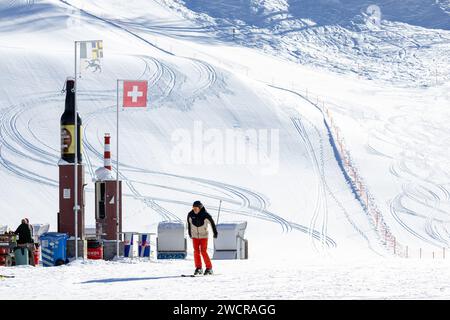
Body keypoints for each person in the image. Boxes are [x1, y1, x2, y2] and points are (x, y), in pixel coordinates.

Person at [187, 201, 218, 275]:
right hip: (195, 236)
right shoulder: (190, 215)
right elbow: (189, 224)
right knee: (196, 252)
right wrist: (190, 233)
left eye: (196, 208)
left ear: (200, 208)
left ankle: (209, 268)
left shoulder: (206, 215)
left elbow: (212, 223)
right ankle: (199, 268)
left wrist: (215, 232)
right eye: (193, 208)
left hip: (203, 236)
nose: (194, 209)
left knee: (203, 251)